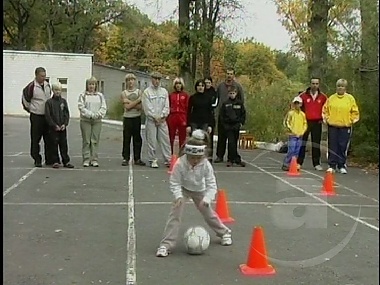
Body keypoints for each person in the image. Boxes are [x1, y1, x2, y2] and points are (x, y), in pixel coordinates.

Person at [155, 129, 233, 258]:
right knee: (175, 214)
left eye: (199, 158)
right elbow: (174, 182)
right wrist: (178, 196)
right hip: (183, 189)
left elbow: (211, 184)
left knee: (209, 214)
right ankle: (166, 245)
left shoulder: (206, 165)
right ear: (187, 154)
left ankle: (224, 233)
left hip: (199, 190)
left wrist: (207, 199)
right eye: (192, 158)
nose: (195, 161)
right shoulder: (180, 163)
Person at [322, 78, 359, 174]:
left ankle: (341, 165)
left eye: (342, 86)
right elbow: (325, 110)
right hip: (333, 126)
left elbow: (355, 112)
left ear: (345, 88)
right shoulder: (331, 98)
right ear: (336, 87)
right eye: (338, 86)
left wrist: (351, 120)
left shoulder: (350, 99)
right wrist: (327, 119)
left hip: (345, 126)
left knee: (342, 146)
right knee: (332, 145)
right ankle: (332, 165)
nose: (340, 88)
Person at [21, 67, 54, 167]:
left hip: (47, 116)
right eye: (42, 76)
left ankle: (49, 159)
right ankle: (37, 159)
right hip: (36, 116)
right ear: (36, 75)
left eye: (45, 76)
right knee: (36, 139)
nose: (43, 78)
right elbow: (25, 100)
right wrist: (31, 109)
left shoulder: (48, 85)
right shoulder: (31, 87)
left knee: (49, 138)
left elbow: (49, 98)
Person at [141, 71, 172, 168]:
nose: (157, 81)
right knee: (151, 141)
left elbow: (167, 106)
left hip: (162, 120)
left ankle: (168, 159)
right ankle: (152, 159)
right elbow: (147, 107)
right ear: (151, 79)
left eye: (158, 79)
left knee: (165, 140)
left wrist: (163, 116)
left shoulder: (164, 91)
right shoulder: (147, 92)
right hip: (151, 121)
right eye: (155, 79)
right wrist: (154, 117)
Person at [214, 67, 245, 163]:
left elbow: (241, 101)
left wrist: (240, 119)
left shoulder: (238, 87)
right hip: (223, 116)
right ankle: (219, 156)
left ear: (233, 75)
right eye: (227, 73)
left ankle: (231, 157)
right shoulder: (220, 86)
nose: (229, 75)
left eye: (231, 74)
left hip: (234, 118)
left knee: (233, 139)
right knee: (221, 137)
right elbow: (216, 99)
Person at [297, 78, 328, 171]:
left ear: (319, 84)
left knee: (316, 143)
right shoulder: (302, 96)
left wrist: (324, 119)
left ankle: (316, 163)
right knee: (302, 142)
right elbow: (297, 108)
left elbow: (326, 109)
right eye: (313, 83)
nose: (315, 85)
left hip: (317, 122)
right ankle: (299, 162)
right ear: (310, 84)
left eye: (316, 83)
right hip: (305, 122)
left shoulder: (323, 97)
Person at [78, 76, 107, 167]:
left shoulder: (100, 96)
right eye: (90, 84)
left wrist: (98, 114)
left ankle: (94, 159)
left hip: (97, 121)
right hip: (85, 120)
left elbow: (103, 107)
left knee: (94, 140)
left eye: (93, 84)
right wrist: (90, 114)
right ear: (87, 85)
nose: (91, 86)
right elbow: (81, 107)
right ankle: (86, 159)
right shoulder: (83, 95)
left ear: (96, 85)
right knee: (87, 140)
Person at [44, 82, 74, 169]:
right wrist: (54, 125)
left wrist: (65, 124)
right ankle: (55, 161)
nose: (58, 92)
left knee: (64, 144)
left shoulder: (63, 102)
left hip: (62, 128)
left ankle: (66, 161)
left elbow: (66, 114)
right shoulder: (49, 102)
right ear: (53, 90)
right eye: (56, 90)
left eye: (59, 90)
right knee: (53, 144)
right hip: (53, 129)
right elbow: (48, 115)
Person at [186, 79, 215, 161]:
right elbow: (188, 111)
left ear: (204, 87)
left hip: (205, 122)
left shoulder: (208, 98)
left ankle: (205, 158)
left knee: (204, 141)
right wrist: (188, 125)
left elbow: (210, 112)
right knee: (194, 141)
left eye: (202, 86)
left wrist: (210, 125)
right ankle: (193, 157)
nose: (200, 87)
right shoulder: (192, 98)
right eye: (199, 85)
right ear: (196, 87)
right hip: (194, 121)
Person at [120, 73, 145, 166]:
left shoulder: (139, 92)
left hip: (136, 117)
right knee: (126, 138)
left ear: (135, 81)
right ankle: (125, 158)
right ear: (126, 82)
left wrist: (131, 103)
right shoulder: (124, 93)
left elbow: (140, 107)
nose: (130, 82)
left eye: (132, 80)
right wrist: (137, 101)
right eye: (128, 80)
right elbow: (127, 107)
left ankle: (137, 158)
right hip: (127, 118)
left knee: (137, 138)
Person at [219, 86, 246, 167]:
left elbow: (243, 114)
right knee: (231, 143)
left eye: (233, 93)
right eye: (230, 93)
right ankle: (232, 160)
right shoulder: (225, 103)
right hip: (228, 126)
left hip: (236, 125)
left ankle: (235, 159)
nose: (232, 95)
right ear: (228, 94)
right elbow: (222, 115)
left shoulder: (239, 103)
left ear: (236, 93)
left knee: (234, 143)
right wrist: (224, 125)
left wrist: (241, 123)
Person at [282, 96, 307, 171]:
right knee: (291, 150)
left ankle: (293, 164)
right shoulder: (291, 113)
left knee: (297, 151)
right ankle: (286, 163)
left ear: (301, 104)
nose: (297, 105)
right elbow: (286, 122)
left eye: (298, 103)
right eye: (295, 103)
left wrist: (302, 132)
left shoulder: (303, 114)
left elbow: (304, 124)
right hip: (292, 135)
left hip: (300, 135)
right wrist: (292, 130)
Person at [167, 77, 190, 154]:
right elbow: (168, 105)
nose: (178, 85)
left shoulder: (185, 95)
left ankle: (182, 153)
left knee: (182, 137)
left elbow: (187, 108)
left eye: (179, 84)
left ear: (182, 85)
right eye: (176, 84)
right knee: (171, 136)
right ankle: (170, 154)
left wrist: (187, 119)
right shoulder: (171, 95)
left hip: (182, 116)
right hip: (172, 116)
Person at [204, 76, 218, 161]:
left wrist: (207, 105)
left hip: (211, 116)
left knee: (210, 137)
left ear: (211, 83)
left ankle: (209, 156)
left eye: (209, 83)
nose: (207, 85)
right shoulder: (202, 91)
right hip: (202, 117)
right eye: (206, 83)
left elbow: (215, 104)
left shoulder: (214, 93)